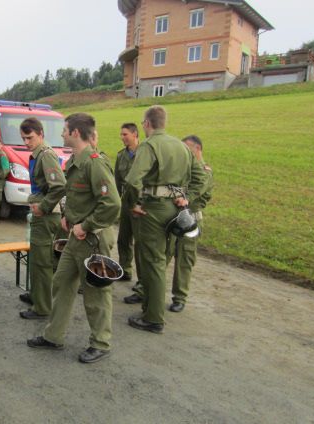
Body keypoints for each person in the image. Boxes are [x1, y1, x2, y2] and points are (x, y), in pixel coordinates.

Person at [27, 113, 120, 364]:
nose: (62, 134)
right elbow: (77, 195)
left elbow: (112, 204)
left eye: (65, 130)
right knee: (61, 282)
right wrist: (68, 217)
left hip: (92, 238)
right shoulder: (75, 162)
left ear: (75, 133)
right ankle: (53, 336)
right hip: (76, 236)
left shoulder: (94, 163)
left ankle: (100, 343)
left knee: (95, 293)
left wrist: (86, 225)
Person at [124, 106, 207, 334]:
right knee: (160, 259)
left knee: (154, 262)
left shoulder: (149, 145)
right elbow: (201, 178)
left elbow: (132, 181)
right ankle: (150, 309)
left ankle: (153, 317)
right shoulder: (182, 146)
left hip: (153, 209)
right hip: (175, 210)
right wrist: (187, 198)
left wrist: (132, 204)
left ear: (147, 123)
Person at [18, 117, 66, 320]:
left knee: (42, 263)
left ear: (41, 134)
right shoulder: (38, 154)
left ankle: (42, 307)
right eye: (23, 138)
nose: (26, 142)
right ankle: (37, 295)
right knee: (37, 259)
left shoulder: (46, 155)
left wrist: (44, 207)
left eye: (29, 138)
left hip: (46, 215)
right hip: (42, 214)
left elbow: (59, 186)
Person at [166, 135, 214, 313]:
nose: (184, 151)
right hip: (174, 217)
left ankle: (179, 297)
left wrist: (185, 198)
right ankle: (147, 290)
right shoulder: (182, 168)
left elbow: (198, 191)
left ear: (197, 149)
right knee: (163, 253)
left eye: (187, 148)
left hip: (191, 219)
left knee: (184, 259)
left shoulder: (204, 172)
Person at [115, 123, 140, 282]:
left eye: (125, 134)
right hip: (126, 201)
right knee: (124, 238)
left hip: (141, 201)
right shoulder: (121, 156)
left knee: (140, 241)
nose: (122, 137)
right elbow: (117, 181)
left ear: (135, 134)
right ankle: (125, 269)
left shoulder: (145, 153)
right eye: (121, 134)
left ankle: (143, 279)